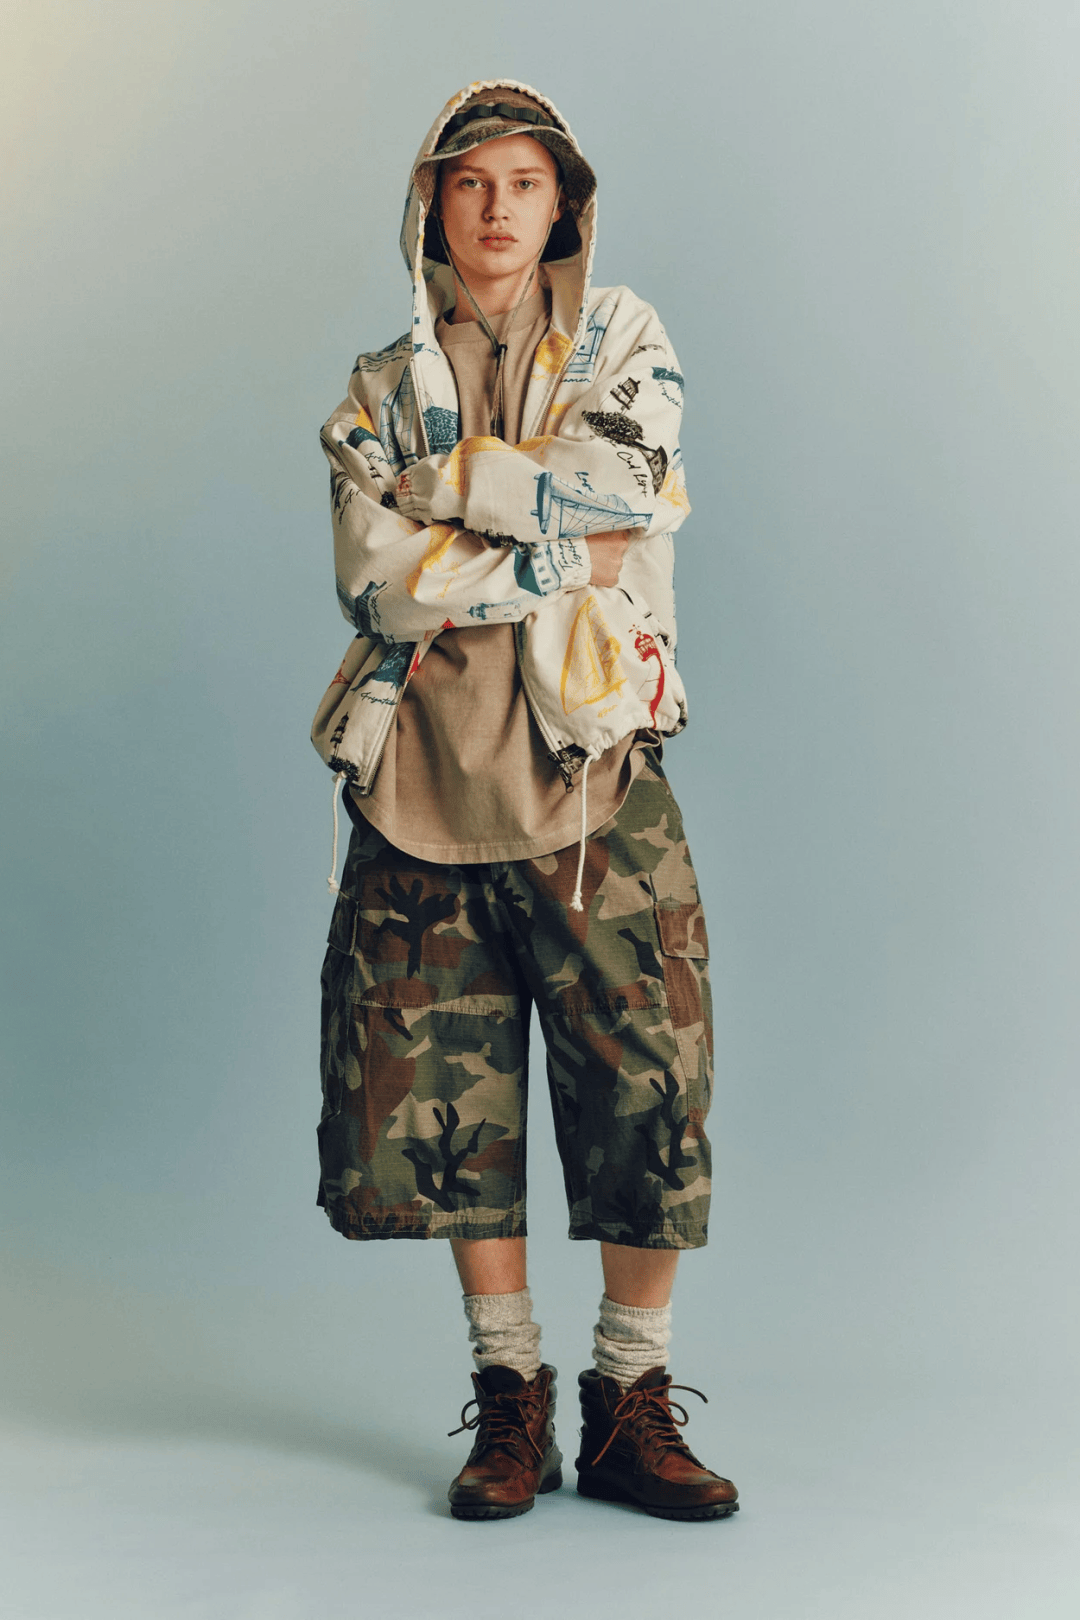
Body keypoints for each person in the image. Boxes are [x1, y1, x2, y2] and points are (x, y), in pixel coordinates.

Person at [311, 80, 739, 1524]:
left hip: (591, 771)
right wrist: (554, 546)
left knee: (647, 1091)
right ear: (431, 206)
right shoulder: (378, 386)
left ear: (565, 207)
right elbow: (378, 584)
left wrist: (446, 494)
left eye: (526, 182)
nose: (497, 207)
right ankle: (511, 1401)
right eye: (470, 181)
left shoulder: (623, 339)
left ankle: (630, 1402)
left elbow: (621, 483)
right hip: (421, 783)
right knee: (452, 1106)